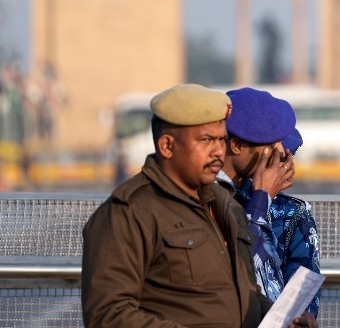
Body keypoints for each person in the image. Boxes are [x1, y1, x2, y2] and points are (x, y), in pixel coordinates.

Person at [80, 84, 271, 327]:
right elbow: (107, 315)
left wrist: (280, 318)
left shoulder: (225, 204)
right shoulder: (128, 213)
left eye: (222, 140)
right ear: (167, 146)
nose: (218, 152)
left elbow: (243, 292)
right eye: (206, 140)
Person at [217, 87, 306, 310]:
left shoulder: (291, 210)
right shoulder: (207, 198)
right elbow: (245, 265)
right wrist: (262, 199)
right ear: (236, 145)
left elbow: (300, 292)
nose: (281, 150)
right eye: (270, 143)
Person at [272, 128, 323, 318]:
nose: (291, 168)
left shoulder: (292, 213)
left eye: (293, 157)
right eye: (283, 159)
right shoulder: (219, 202)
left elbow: (301, 291)